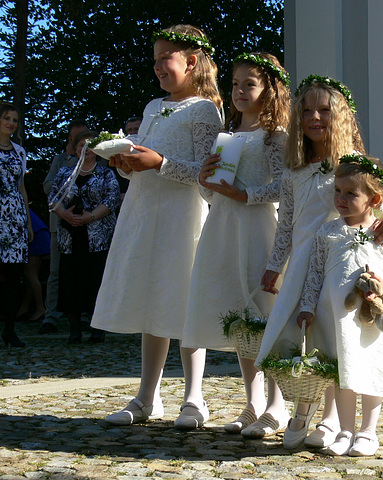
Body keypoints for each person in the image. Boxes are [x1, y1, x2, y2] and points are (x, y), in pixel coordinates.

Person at [255, 75, 383, 449]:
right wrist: (275, 264)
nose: (313, 117)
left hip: (341, 264)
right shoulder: (294, 172)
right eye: (305, 110)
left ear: (340, 117)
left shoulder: (351, 167)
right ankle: (300, 408)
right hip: (304, 263)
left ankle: (332, 420)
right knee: (302, 337)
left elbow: (380, 205)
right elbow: (286, 226)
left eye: (323, 110)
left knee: (338, 338)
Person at [91, 24, 223, 425]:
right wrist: (127, 163)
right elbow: (145, 162)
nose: (158, 67)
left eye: (166, 58)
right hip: (146, 212)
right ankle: (147, 396)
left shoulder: (204, 110)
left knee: (184, 300)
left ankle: (194, 397)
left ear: (192, 61)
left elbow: (207, 173)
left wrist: (160, 163)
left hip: (183, 217)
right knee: (153, 298)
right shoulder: (152, 107)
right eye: (155, 60)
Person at [181, 52, 290, 434]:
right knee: (238, 317)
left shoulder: (276, 136)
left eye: (250, 83)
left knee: (262, 311)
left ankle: (277, 404)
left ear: (268, 89)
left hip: (258, 226)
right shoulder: (225, 135)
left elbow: (283, 185)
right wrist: (205, 181)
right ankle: (253, 401)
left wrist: (248, 196)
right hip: (223, 227)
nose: (240, 91)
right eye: (236, 84)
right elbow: (214, 193)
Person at [297, 154, 383, 456]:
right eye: (337, 191)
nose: (341, 199)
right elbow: (315, 274)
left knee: (370, 370)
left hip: (368, 319)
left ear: (373, 199)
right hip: (332, 317)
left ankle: (368, 432)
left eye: (350, 193)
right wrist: (307, 306)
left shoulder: (382, 234)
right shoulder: (328, 232)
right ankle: (345, 430)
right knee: (341, 375)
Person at [49, 130, 120, 343]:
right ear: (75, 148)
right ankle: (74, 330)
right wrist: (64, 213)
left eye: (90, 146)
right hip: (69, 238)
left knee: (95, 282)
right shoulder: (64, 173)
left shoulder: (107, 174)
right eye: (81, 146)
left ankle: (97, 329)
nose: (85, 150)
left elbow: (112, 199)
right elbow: (53, 196)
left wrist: (90, 217)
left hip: (98, 238)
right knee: (70, 282)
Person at [41, 119, 89, 334]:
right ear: (70, 139)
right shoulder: (59, 160)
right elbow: (48, 187)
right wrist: (72, 164)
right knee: (56, 271)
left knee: (85, 271)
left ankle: (87, 315)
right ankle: (51, 317)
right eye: (76, 138)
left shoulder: (98, 161)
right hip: (60, 224)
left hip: (90, 224)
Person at [0, 102, 32, 348]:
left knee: (13, 277)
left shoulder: (20, 152)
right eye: (7, 118)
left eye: (15, 120)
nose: (11, 123)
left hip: (14, 220)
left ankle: (9, 330)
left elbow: (22, 186)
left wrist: (29, 223)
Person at [16, 208, 50, 323]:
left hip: (35, 236)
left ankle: (40, 308)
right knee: (32, 274)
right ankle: (24, 308)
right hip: (40, 234)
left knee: (30, 274)